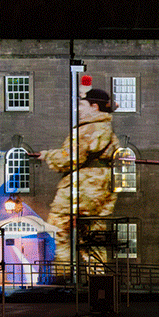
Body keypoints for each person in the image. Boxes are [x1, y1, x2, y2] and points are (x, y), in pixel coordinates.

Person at [33, 87, 120, 277]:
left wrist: (47, 156)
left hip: (82, 189)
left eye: (82, 105)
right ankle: (99, 278)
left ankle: (63, 275)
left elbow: (69, 158)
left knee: (59, 226)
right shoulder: (110, 132)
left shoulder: (85, 130)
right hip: (102, 192)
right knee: (93, 237)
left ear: (94, 107)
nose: (78, 109)